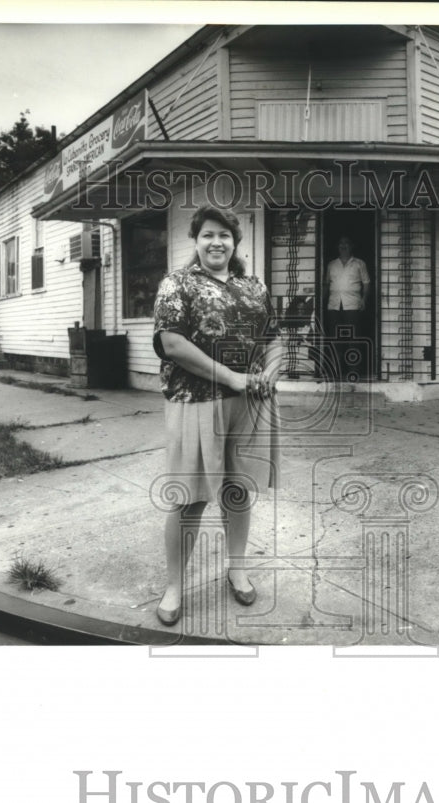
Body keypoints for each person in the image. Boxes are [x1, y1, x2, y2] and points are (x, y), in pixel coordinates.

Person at [151, 205, 282, 626]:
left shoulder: (254, 286)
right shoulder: (178, 284)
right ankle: (174, 586)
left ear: (235, 242)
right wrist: (233, 377)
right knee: (191, 498)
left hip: (249, 404)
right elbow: (172, 344)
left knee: (239, 490)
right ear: (195, 239)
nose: (216, 242)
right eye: (208, 234)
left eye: (224, 235)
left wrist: (270, 372)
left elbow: (275, 337)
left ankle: (237, 569)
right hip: (195, 402)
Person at [323, 235, 370, 379]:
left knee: (353, 338)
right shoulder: (331, 264)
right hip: (334, 305)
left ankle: (353, 371)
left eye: (346, 243)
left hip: (352, 304)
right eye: (340, 243)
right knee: (335, 338)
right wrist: (321, 302)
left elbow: (366, 283)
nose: (343, 246)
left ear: (352, 246)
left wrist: (364, 299)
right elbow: (326, 284)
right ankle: (336, 371)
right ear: (337, 247)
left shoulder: (359, 263)